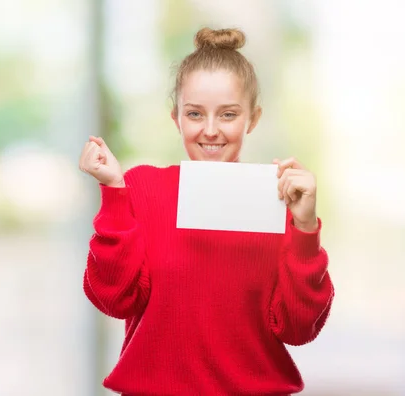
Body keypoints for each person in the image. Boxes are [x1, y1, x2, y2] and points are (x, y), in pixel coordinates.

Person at [78, 27, 334, 396]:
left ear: (253, 118)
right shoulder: (141, 189)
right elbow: (115, 299)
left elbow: (299, 328)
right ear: (176, 118)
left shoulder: (280, 199)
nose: (210, 130)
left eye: (228, 115)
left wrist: (305, 226)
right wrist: (114, 192)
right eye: (195, 114)